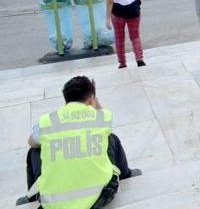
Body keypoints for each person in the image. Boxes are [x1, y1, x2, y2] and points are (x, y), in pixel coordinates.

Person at [19, 76, 141, 207]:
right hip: (99, 195)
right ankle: (126, 174)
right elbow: (106, 125)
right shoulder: (101, 117)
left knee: (34, 151)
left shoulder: (48, 120)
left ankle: (32, 197)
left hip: (54, 203)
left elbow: (31, 143)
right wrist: (95, 99)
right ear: (90, 99)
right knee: (111, 138)